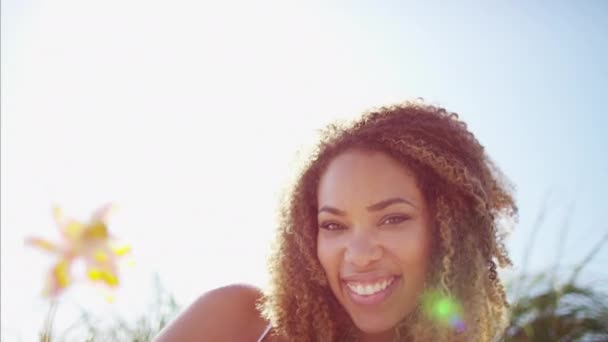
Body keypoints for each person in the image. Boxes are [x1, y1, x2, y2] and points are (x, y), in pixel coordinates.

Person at [154, 101, 517, 341]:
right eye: (333, 225)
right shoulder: (236, 320)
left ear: (447, 228)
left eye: (392, 219)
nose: (359, 255)